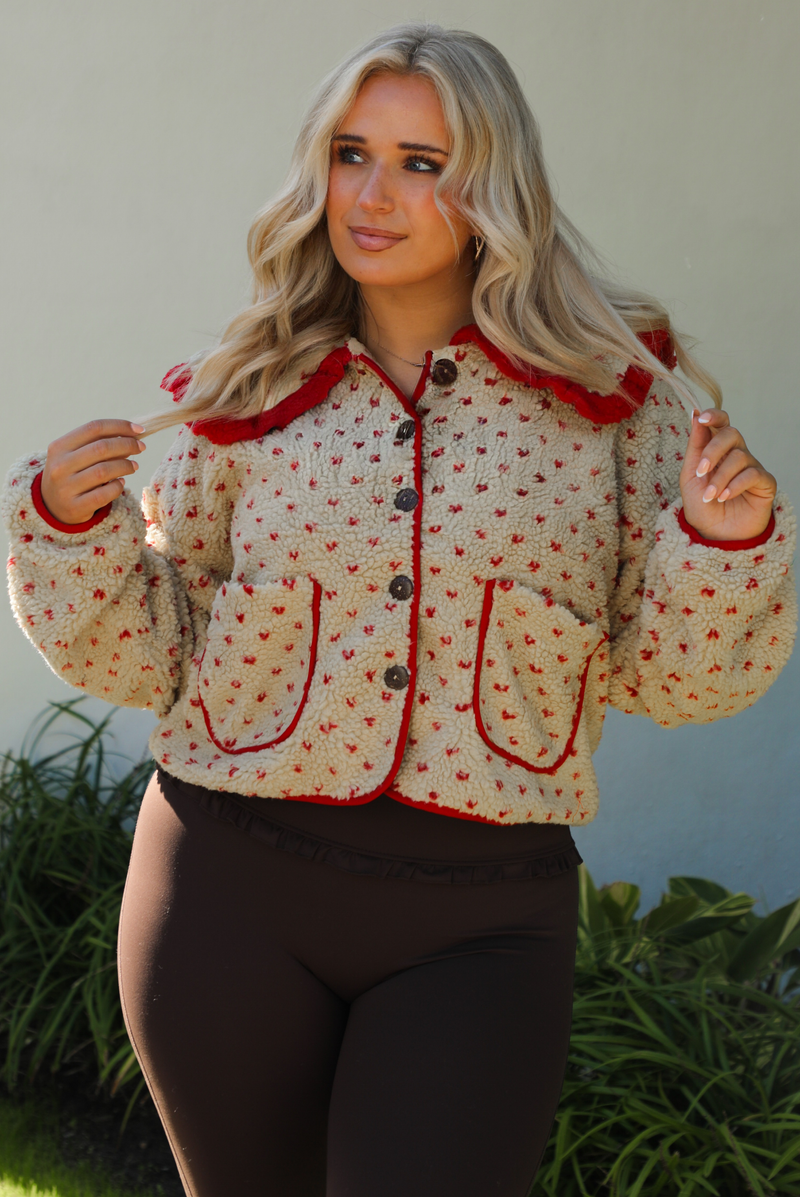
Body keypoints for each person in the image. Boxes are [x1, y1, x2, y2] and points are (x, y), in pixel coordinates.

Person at [2, 22, 796, 1197]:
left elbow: (673, 681)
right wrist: (70, 531)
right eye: (349, 153)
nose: (371, 196)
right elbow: (152, 653)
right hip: (225, 888)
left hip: (478, 923)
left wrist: (724, 548)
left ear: (495, 188)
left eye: (422, 163)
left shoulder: (615, 408)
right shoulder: (243, 389)